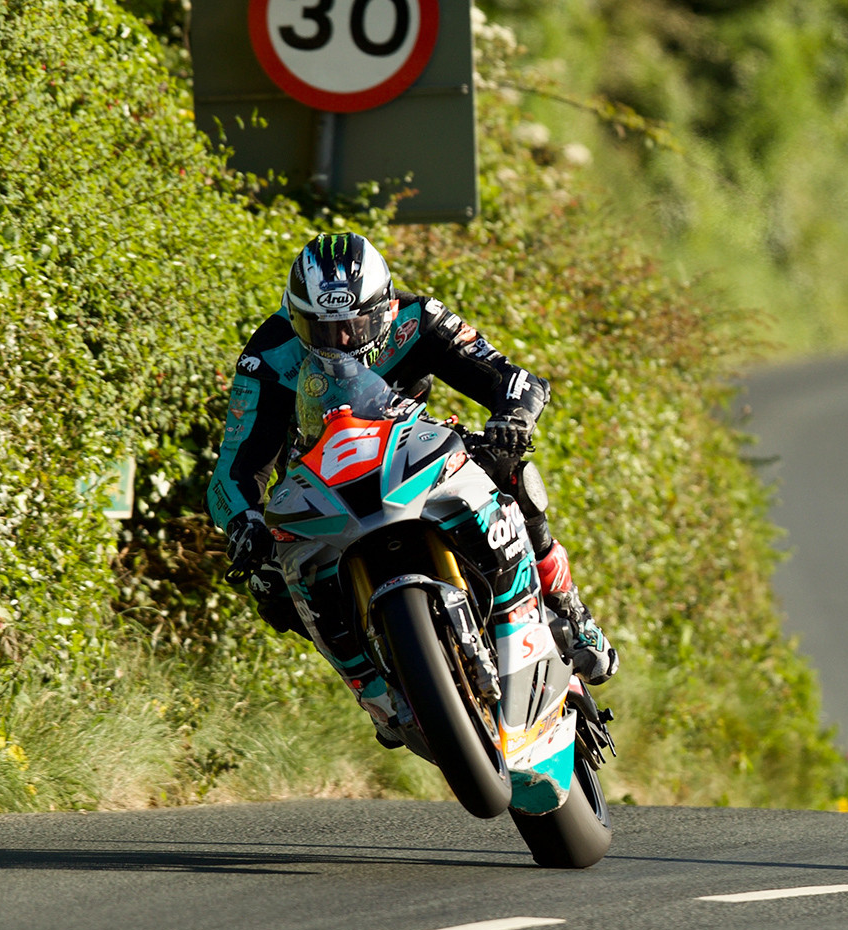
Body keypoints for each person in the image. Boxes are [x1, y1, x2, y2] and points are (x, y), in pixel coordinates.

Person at [208, 232, 617, 746]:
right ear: (295, 316)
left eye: (352, 325)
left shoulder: (417, 316)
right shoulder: (268, 355)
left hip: (416, 445)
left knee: (507, 467)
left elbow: (510, 377)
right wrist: (243, 520)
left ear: (381, 307)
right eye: (320, 326)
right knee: (271, 582)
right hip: (322, 479)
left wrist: (513, 415)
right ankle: (374, 689)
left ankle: (569, 608)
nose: (337, 340)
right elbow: (234, 467)